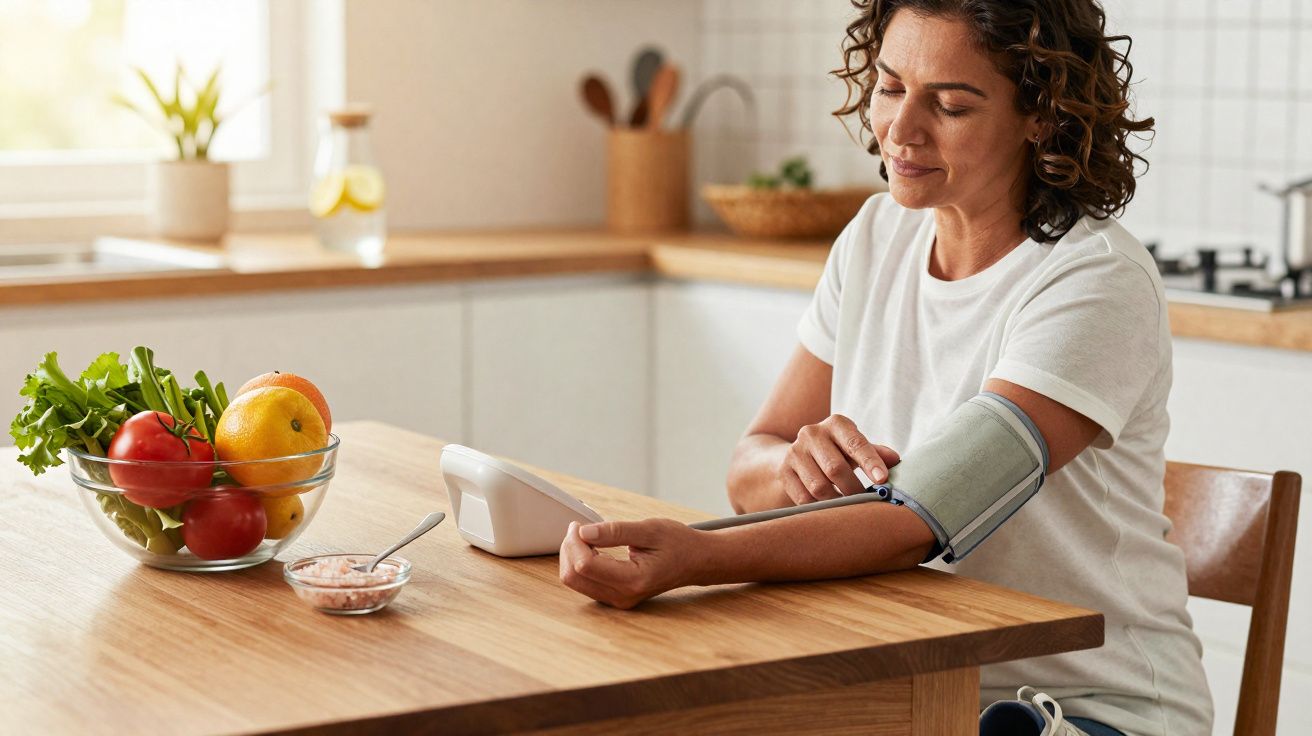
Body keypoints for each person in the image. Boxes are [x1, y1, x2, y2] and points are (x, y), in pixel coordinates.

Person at [557, 1, 1213, 733]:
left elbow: (921, 518)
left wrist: (699, 557)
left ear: (1042, 114)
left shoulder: (1096, 280)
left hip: (1087, 707)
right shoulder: (876, 235)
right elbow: (749, 470)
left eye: (951, 105)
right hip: (904, 679)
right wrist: (798, 470)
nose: (901, 129)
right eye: (891, 87)